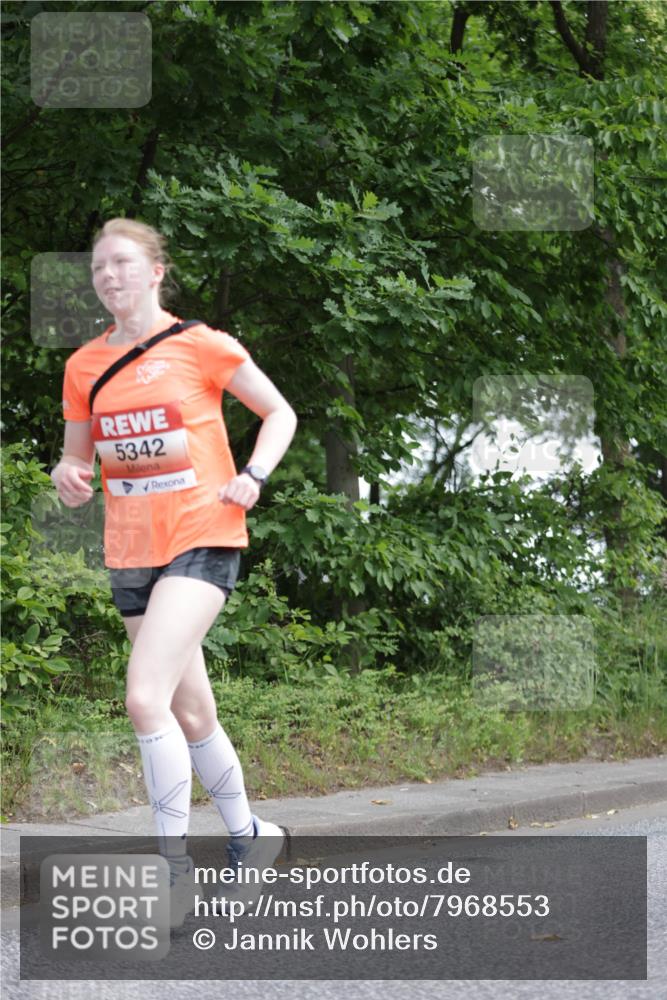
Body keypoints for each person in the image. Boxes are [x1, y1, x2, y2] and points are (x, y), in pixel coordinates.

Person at [50, 217, 298, 924]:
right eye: (99, 268)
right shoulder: (83, 366)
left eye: (123, 263)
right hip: (130, 550)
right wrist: (69, 478)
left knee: (142, 698)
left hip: (202, 535)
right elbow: (77, 458)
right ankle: (251, 840)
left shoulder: (201, 345)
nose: (110, 277)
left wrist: (254, 473)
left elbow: (279, 412)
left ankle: (173, 873)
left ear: (155, 271)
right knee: (191, 710)